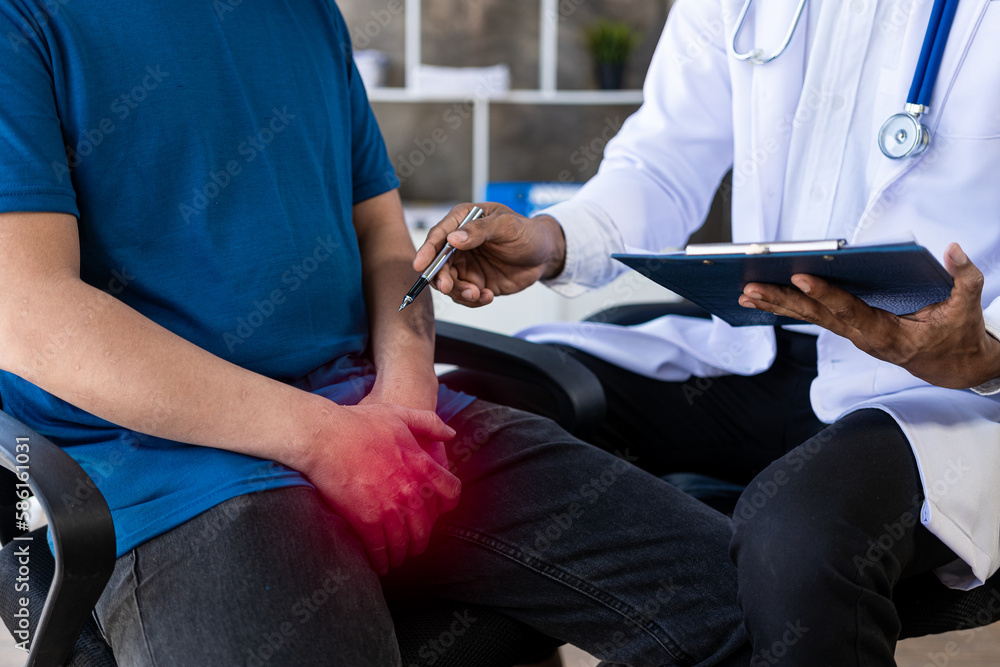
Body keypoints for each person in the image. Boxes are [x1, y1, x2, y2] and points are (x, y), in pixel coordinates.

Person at [0, 1, 761, 665]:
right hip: (172, 467)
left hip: (380, 418)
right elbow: (30, 313)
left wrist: (404, 403)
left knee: (756, 608)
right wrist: (323, 440)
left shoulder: (307, 13)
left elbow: (386, 244)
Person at [415, 0, 1000, 664]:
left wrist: (982, 353)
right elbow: (660, 165)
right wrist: (550, 239)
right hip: (753, 347)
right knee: (460, 438)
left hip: (948, 391)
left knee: (797, 537)